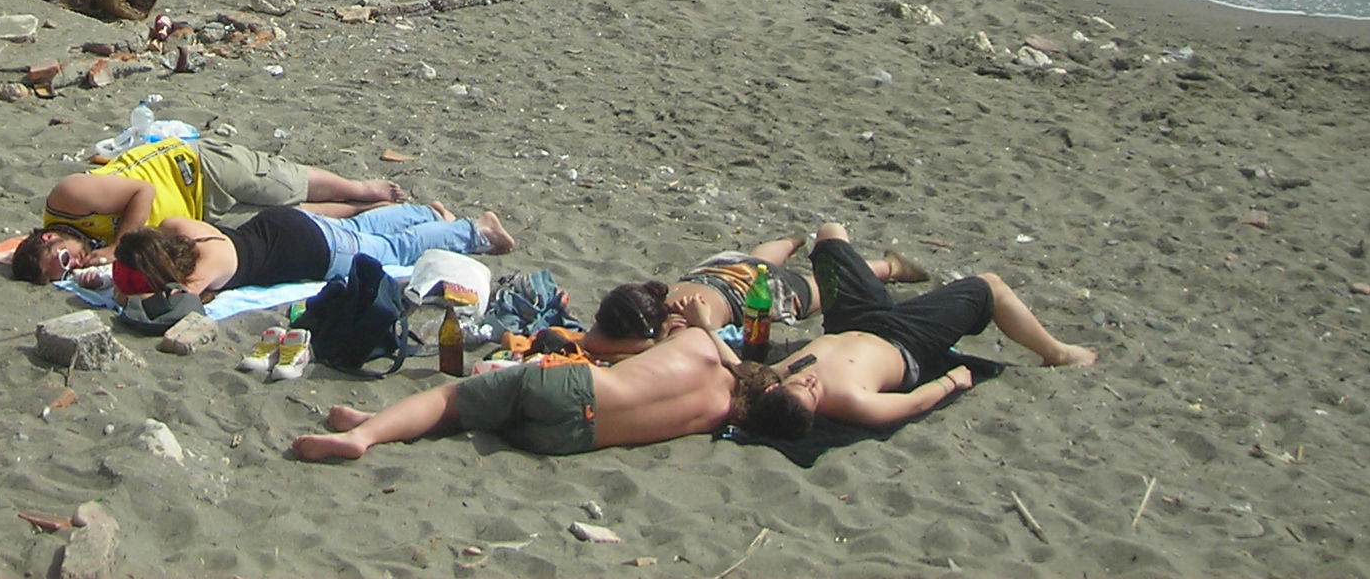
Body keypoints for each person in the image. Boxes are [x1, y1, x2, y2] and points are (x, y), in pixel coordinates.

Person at [729, 221, 1097, 440]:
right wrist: (952, 382)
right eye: (811, 394)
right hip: (905, 340)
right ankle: (1058, 353)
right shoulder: (853, 402)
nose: (809, 383)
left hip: (854, 319)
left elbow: (738, 376)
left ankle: (894, 268)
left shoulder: (781, 377)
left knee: (829, 235)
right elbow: (912, 403)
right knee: (991, 286)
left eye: (800, 385)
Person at [291, 322, 741, 462]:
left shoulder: (701, 346)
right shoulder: (718, 415)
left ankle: (362, 438)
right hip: (568, 440)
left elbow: (695, 333)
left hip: (572, 386)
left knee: (450, 400)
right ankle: (374, 424)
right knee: (475, 414)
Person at [11, 135, 410, 283]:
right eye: (63, 272)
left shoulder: (68, 198)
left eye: (64, 257)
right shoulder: (88, 249)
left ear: (50, 236)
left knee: (286, 183)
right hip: (196, 213)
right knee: (289, 218)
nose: (74, 263)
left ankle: (360, 187)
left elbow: (142, 192)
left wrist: (118, 246)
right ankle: (364, 208)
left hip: (194, 168)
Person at [585, 232, 930, 360]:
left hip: (748, 291)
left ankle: (889, 267)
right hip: (715, 269)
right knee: (758, 259)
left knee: (819, 289)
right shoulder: (649, 301)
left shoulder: (682, 324)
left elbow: (599, 345)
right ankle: (792, 240)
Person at [111, 201, 512, 303]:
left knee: (392, 248)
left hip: (313, 251)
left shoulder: (199, 274)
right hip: (281, 223)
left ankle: (476, 231)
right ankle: (427, 213)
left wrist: (125, 292)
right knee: (361, 228)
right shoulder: (179, 229)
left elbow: (172, 306)